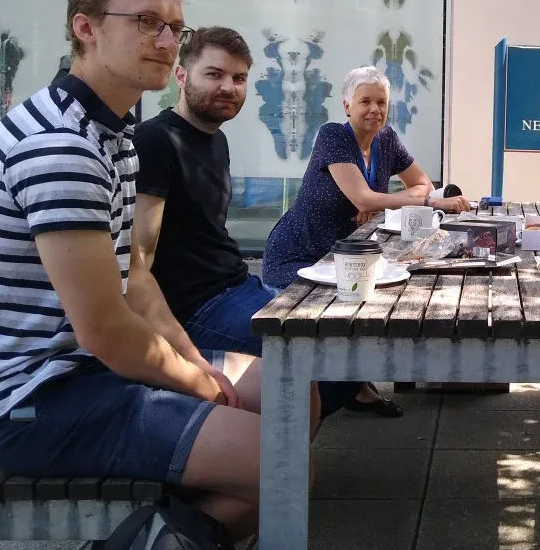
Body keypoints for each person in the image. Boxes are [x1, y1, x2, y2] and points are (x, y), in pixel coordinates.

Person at [0, 0, 315, 541]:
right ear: (86, 28)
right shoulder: (61, 147)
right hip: (31, 399)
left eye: (175, 26)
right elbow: (103, 330)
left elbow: (137, 279)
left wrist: (194, 361)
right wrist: (199, 387)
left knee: (289, 389)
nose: (167, 41)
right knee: (281, 460)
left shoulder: (116, 136)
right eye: (147, 21)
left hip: (85, 369)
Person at [131, 27, 386, 418]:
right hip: (196, 307)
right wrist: (178, 353)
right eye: (214, 74)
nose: (228, 87)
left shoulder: (216, 140)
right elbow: (138, 265)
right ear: (181, 76)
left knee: (346, 342)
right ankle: (265, 457)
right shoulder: (154, 142)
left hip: (237, 285)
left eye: (238, 78)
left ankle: (275, 448)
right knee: (315, 357)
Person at [262, 65, 469, 292]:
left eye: (381, 102)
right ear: (347, 106)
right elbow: (363, 199)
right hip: (301, 259)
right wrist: (427, 203)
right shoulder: (332, 135)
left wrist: (380, 204)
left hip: (347, 262)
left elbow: (423, 185)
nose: (375, 109)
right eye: (365, 101)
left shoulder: (387, 139)